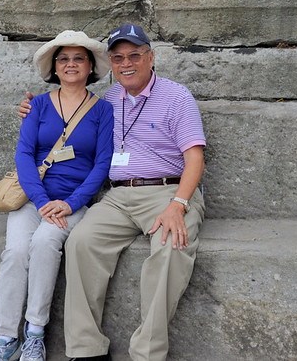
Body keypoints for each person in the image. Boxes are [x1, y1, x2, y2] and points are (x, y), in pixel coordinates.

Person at [20, 23, 206, 361]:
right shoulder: (108, 100)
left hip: (167, 192)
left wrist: (179, 204)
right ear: (111, 63)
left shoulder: (176, 97)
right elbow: (63, 115)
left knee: (170, 247)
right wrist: (31, 109)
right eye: (118, 58)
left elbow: (195, 157)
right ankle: (86, 349)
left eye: (135, 55)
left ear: (151, 57)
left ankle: (147, 352)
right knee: (80, 242)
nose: (126, 63)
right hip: (118, 196)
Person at [0, 30, 114, 361]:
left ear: (90, 67)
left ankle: (34, 334)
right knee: (14, 252)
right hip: (33, 199)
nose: (71, 64)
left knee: (44, 244)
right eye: (64, 58)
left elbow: (102, 165)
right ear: (55, 67)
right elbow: (24, 154)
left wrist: (70, 203)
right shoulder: (37, 105)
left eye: (78, 58)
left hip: (72, 201)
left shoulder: (102, 111)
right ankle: (5, 336)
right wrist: (41, 202)